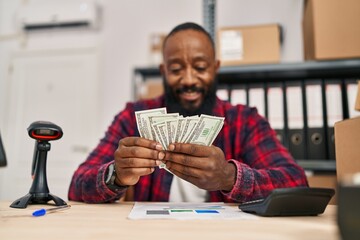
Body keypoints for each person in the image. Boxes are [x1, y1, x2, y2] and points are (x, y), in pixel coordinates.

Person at [68, 22, 308, 203]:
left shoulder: (245, 121)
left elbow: (297, 184)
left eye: (200, 67)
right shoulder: (133, 117)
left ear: (215, 68)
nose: (189, 79)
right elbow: (77, 184)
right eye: (176, 69)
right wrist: (115, 175)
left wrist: (229, 177)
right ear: (163, 71)